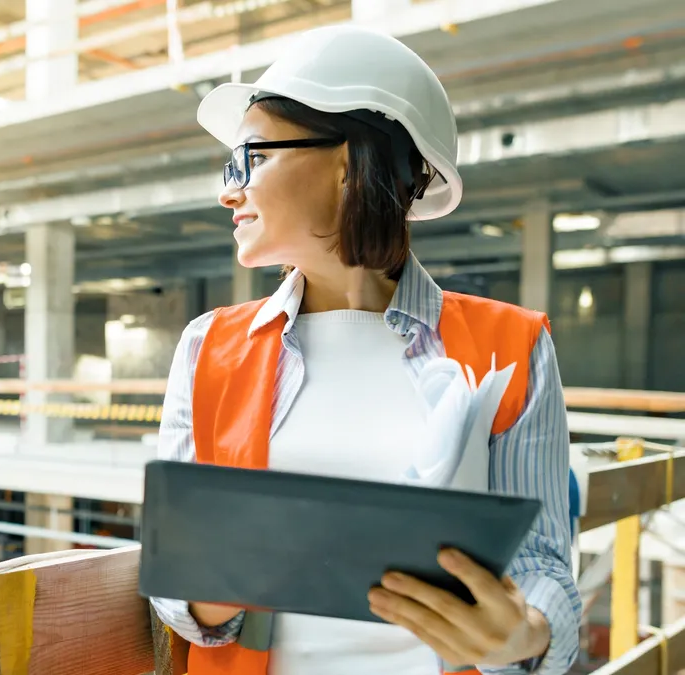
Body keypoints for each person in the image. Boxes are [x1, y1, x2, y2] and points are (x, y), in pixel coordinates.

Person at [149, 24, 581, 675]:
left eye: (251, 159)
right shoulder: (207, 347)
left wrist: (527, 634)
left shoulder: (514, 346)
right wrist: (206, 585)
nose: (228, 189)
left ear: (348, 162)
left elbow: (545, 565)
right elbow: (179, 599)